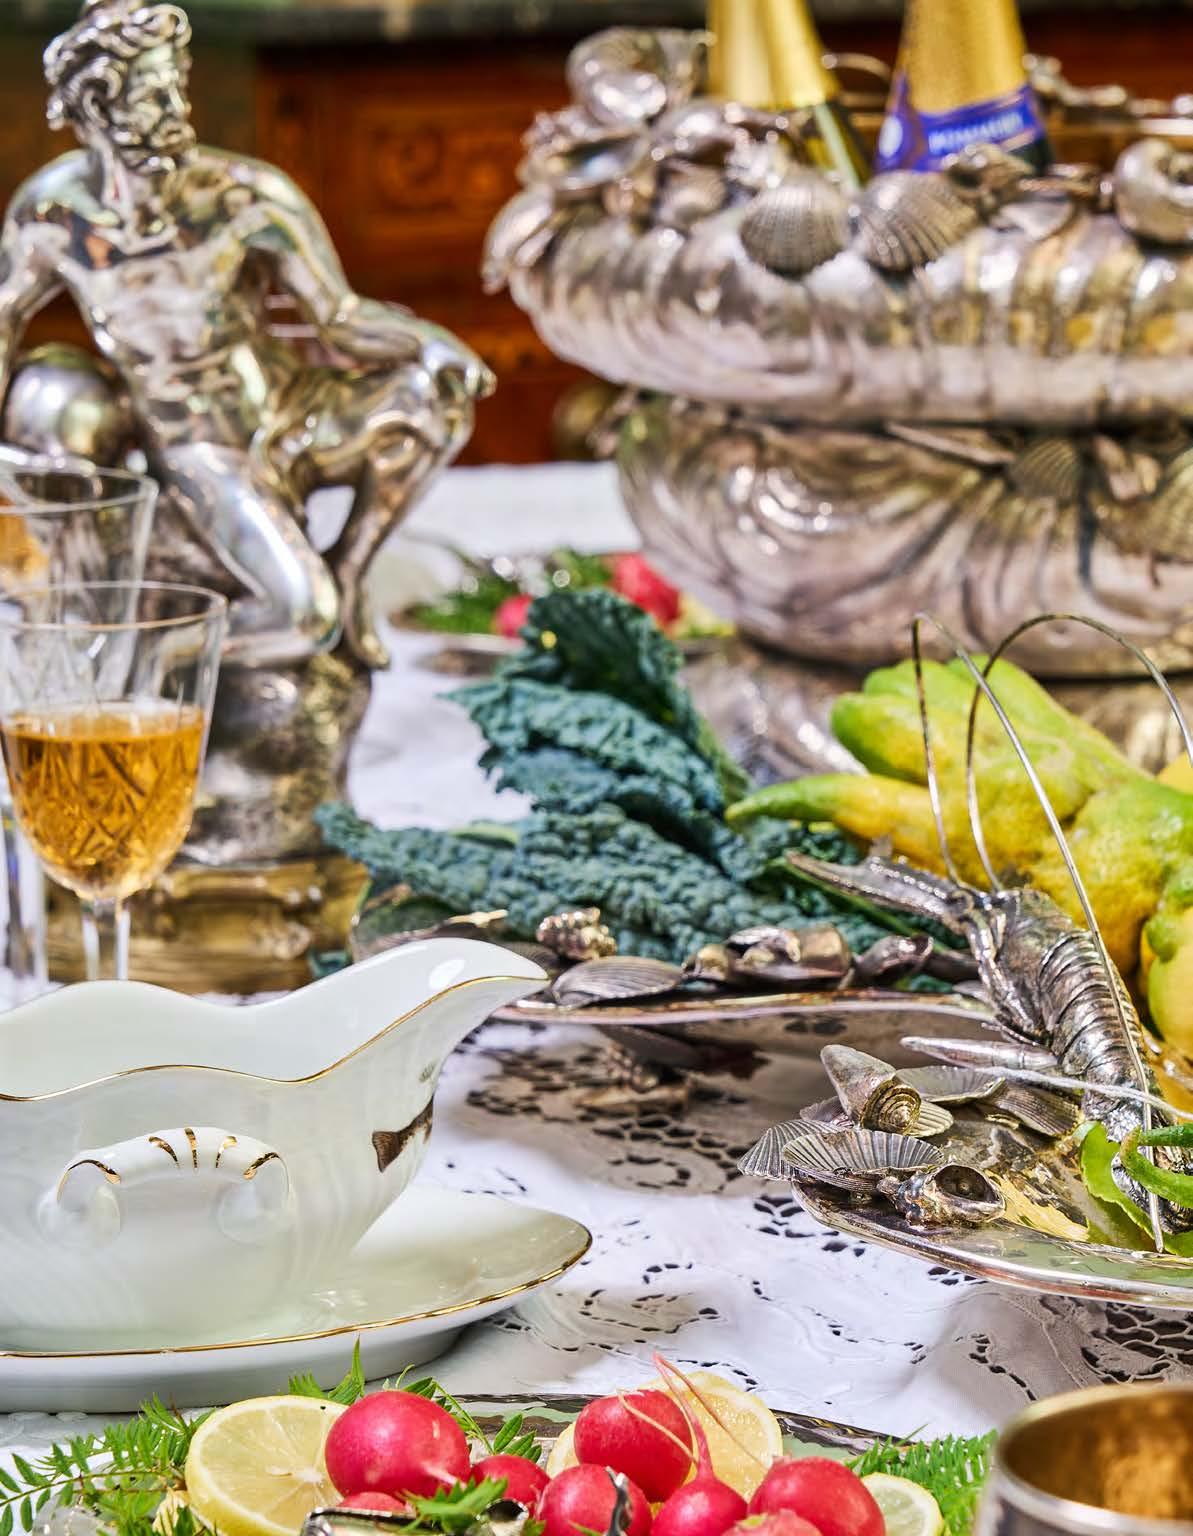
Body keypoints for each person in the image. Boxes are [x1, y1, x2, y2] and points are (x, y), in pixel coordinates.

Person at [0, 0, 493, 668]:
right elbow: (4, 323)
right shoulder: (54, 215)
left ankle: (350, 571)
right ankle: (155, 658)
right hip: (201, 449)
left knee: (435, 399)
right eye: (152, 96)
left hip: (291, 405)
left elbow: (341, 318)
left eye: (177, 85)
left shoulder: (245, 196)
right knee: (305, 618)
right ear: (96, 107)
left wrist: (431, 343)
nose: (177, 108)